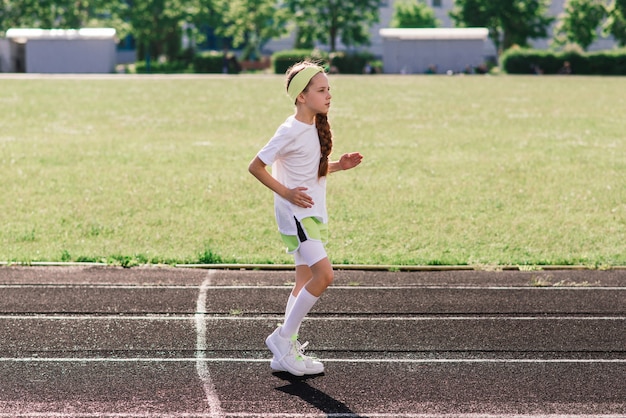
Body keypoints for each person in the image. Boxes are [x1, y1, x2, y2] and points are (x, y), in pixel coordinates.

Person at [248, 61, 363, 376]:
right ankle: (283, 339)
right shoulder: (289, 129)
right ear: (301, 96)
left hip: (312, 214)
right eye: (322, 90)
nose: (328, 96)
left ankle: (285, 353)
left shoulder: (313, 127)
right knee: (324, 275)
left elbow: (310, 170)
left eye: (329, 90)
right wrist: (286, 193)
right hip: (297, 215)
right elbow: (255, 166)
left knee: (302, 280)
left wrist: (339, 165)